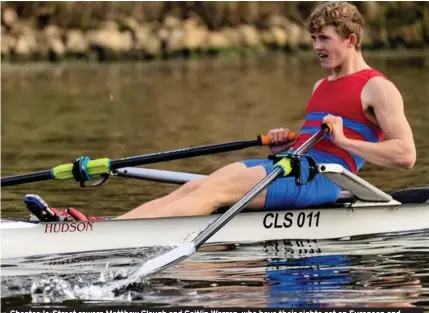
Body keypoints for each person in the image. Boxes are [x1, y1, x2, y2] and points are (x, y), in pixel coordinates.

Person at [39, 1, 416, 222]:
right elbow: (313, 144)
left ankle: (102, 232)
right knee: (198, 185)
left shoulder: (377, 87)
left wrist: (347, 141)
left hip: (324, 182)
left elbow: (405, 155)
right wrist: (284, 146)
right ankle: (106, 224)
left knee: (215, 187)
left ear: (350, 41)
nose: (317, 46)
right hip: (294, 168)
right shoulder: (321, 85)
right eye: (314, 38)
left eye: (325, 39)